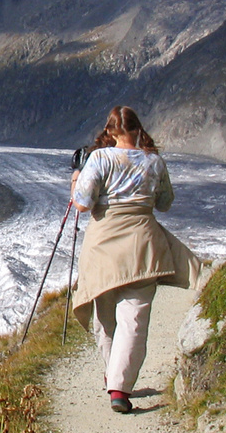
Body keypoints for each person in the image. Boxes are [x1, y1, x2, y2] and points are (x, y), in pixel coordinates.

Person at [69, 106, 200, 414]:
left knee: (105, 318)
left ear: (111, 131)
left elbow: (83, 204)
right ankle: (119, 387)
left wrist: (76, 179)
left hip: (103, 246)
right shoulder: (154, 162)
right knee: (134, 319)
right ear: (138, 129)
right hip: (143, 243)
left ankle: (113, 376)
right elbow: (165, 203)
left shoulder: (99, 159)